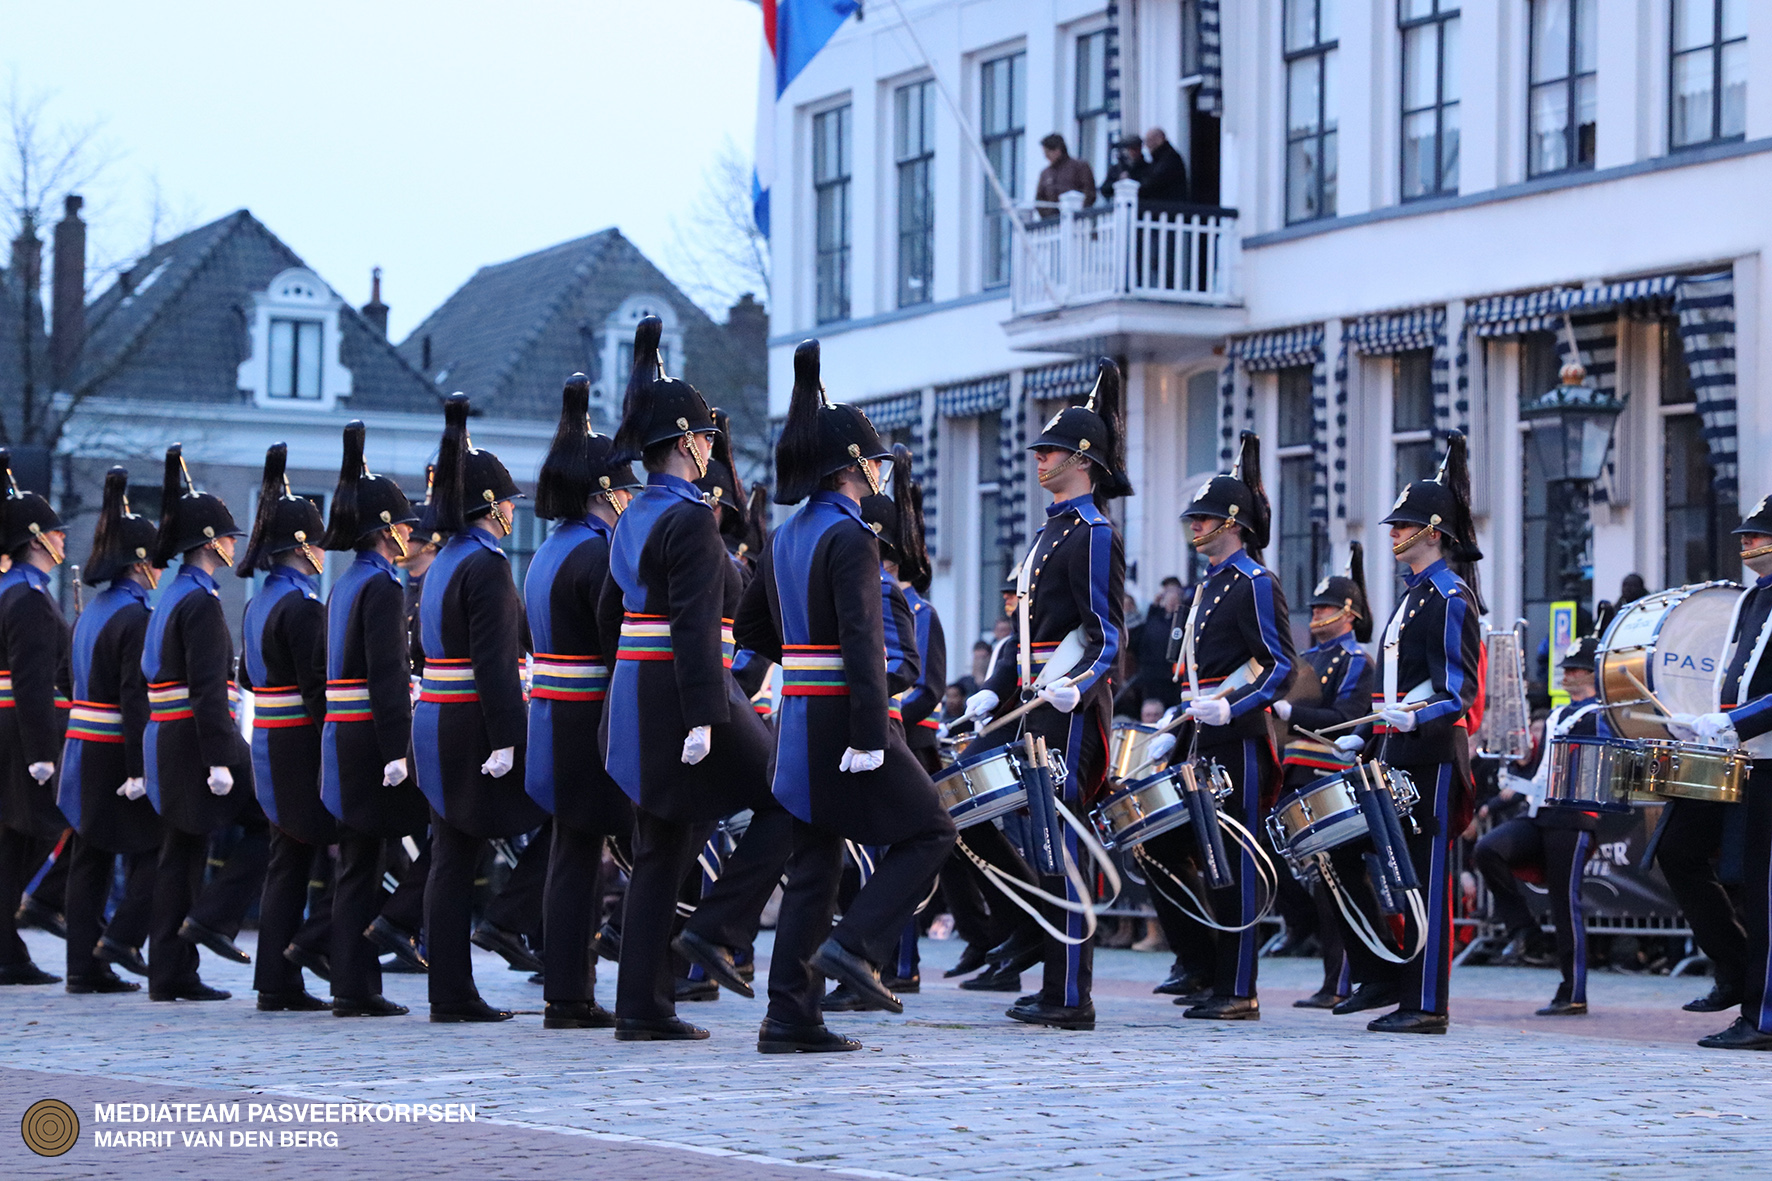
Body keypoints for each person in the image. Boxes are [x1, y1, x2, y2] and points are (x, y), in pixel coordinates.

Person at [733, 338, 956, 1051]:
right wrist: (867, 730)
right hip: (842, 718)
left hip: (798, 714)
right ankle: (855, 946)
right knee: (932, 830)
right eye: (872, 460)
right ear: (854, 465)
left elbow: (751, 625)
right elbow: (863, 642)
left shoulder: (788, 534)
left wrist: (800, 660)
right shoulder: (852, 535)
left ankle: (790, 1013)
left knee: (815, 863)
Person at [598, 317, 794, 1044]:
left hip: (640, 692)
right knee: (786, 795)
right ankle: (717, 929)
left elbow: (613, 615)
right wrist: (706, 716)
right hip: (689, 690)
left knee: (663, 848)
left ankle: (642, 1005)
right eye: (706, 438)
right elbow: (689, 626)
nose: (712, 448)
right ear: (686, 444)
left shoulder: (631, 518)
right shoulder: (687, 520)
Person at [964, 357, 1130, 1030]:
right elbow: (1027, 631)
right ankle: (1048, 971)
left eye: (1053, 450)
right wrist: (992, 689)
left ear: (1082, 459)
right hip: (1032, 702)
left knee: (1061, 840)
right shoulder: (1051, 530)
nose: (1041, 458)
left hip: (1066, 710)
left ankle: (1071, 993)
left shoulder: (1093, 533)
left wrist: (1081, 687)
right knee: (1011, 826)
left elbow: (1107, 632)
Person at [1330, 433, 1484, 1035]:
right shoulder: (1414, 597)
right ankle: (1385, 973)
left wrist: (1414, 718)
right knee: (1351, 853)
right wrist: (1370, 735)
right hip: (1396, 754)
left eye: (1406, 526)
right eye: (1395, 526)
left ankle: (1427, 1003)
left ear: (1434, 532)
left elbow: (1459, 691)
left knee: (1427, 877)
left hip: (1434, 758)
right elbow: (1393, 685)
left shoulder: (1449, 596)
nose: (1395, 534)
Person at [1148, 430, 1294, 1022]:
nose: (1195, 527)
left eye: (1205, 518)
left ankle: (1239, 988)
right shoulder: (1208, 586)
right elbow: (1192, 676)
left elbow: (1281, 664)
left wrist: (1234, 707)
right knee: (1161, 846)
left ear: (1232, 523)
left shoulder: (1256, 582)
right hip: (1201, 738)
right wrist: (1175, 724)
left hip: (1241, 742)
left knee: (1232, 860)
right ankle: (1203, 963)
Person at [414, 394, 548, 1023]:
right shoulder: (488, 565)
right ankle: (467, 975)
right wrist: (508, 737)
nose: (515, 507)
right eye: (509, 499)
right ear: (492, 505)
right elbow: (495, 662)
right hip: (473, 721)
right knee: (551, 815)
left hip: (436, 717)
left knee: (450, 857)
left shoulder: (443, 560)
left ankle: (449, 986)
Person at [523, 374, 641, 1029]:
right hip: (589, 721)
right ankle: (573, 991)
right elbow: (616, 647)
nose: (628, 497)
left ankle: (568, 986)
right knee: (586, 861)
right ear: (602, 492)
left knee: (572, 858)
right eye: (622, 486)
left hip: (553, 716)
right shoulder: (599, 553)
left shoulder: (551, 548)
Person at [318, 420, 428, 1015]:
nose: (411, 531)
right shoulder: (383, 587)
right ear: (386, 529)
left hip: (343, 734)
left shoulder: (347, 583)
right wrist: (395, 751)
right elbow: (387, 675)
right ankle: (359, 982)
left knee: (359, 864)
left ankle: (351, 983)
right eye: (404, 523)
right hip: (370, 739)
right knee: (374, 859)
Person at [142, 445, 257, 1002]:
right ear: (210, 540)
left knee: (180, 856)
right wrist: (220, 758)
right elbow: (210, 692)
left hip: (168, 737)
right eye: (228, 536)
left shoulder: (172, 595)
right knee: (267, 822)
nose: (234, 543)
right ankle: (209, 922)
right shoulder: (203, 603)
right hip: (197, 739)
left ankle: (172, 969)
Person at [236, 444, 334, 1013]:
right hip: (300, 740)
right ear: (301, 547)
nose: (322, 550)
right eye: (317, 541)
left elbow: (249, 677)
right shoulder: (303, 608)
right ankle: (299, 961)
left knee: (286, 860)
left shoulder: (256, 605)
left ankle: (276, 977)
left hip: (269, 740)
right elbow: (318, 688)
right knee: (352, 850)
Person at [58, 468, 161, 993]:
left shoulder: (92, 612)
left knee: (89, 858)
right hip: (116, 750)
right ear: (140, 563)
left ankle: (82, 966)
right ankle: (119, 939)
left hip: (81, 746)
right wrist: (142, 767)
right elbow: (133, 695)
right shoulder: (137, 617)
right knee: (154, 849)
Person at [1676, 496, 1772, 1049]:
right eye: (1745, 534)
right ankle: (1736, 971)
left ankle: (1763, 1015)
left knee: (1764, 892)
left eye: (1758, 535)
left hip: (1767, 756)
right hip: (1735, 754)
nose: (1746, 542)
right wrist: (1705, 721)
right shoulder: (1750, 599)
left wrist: (1730, 722)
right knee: (1678, 849)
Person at [1472, 635, 1607, 1018]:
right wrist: (1506, 794)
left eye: (1575, 668)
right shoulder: (1557, 715)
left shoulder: (1602, 714)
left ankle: (1573, 990)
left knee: (1566, 903)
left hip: (1575, 815)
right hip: (1540, 811)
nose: (1567, 674)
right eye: (1566, 668)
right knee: (1489, 850)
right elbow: (1540, 771)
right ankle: (1524, 929)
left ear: (1592, 673)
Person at [1271, 543, 1376, 1009]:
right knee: (1281, 862)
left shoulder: (1356, 661)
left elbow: (1347, 718)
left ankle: (1340, 978)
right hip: (1293, 772)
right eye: (1315, 607)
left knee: (1332, 875)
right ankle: (1303, 933)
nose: (1319, 614)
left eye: (1328, 607)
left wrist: (1294, 711)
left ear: (1350, 614)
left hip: (1326, 773)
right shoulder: (1309, 659)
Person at [0, 452, 72, 987]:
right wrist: (43, 752)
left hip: (10, 725)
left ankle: (7, 943)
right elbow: (30, 682)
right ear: (34, 539)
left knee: (13, 841)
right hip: (19, 729)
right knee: (27, 837)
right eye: (54, 533)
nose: (62, 540)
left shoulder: (17, 590)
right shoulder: (27, 597)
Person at [1035, 134, 1096, 212]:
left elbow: (1089, 193)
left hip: (1078, 219)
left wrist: (1080, 213)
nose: (1046, 156)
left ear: (1058, 150)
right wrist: (1049, 217)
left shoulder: (1079, 167)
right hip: (1052, 222)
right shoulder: (1045, 173)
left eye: (1048, 152)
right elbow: (1039, 200)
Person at [1140, 128, 1190, 204]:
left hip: (1169, 206)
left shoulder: (1170, 158)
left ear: (1159, 140)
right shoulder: (1161, 158)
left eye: (1149, 141)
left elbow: (1155, 182)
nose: (1147, 146)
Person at [1100, 135, 1146, 199]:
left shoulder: (1146, 167)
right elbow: (1105, 189)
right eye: (1130, 149)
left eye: (1136, 149)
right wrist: (1118, 181)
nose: (1133, 152)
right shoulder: (1116, 168)